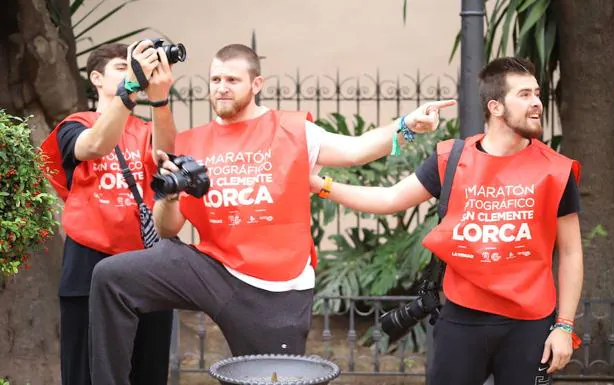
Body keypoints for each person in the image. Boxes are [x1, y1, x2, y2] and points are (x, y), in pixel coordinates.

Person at [86, 43, 456, 385]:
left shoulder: (292, 129)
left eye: (232, 79)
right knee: (112, 277)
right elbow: (169, 230)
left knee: (274, 379)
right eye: (215, 79)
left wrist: (407, 125)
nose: (222, 87)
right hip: (211, 268)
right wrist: (167, 198)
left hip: (274, 290)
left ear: (256, 83)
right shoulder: (191, 143)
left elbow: (358, 149)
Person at [309, 57, 583, 385]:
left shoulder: (556, 169)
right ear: (496, 107)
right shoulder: (451, 159)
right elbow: (389, 199)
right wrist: (320, 186)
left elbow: (570, 253)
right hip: (461, 320)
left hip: (530, 324)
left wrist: (564, 327)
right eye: (524, 95)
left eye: (537, 93)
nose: (537, 102)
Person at [40, 41, 177, 385]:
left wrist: (159, 97)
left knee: (147, 371)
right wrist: (132, 85)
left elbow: (167, 156)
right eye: (122, 67)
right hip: (89, 266)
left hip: (145, 265)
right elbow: (95, 145)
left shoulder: (146, 129)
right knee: (86, 373)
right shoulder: (74, 125)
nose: (132, 73)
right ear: (97, 79)